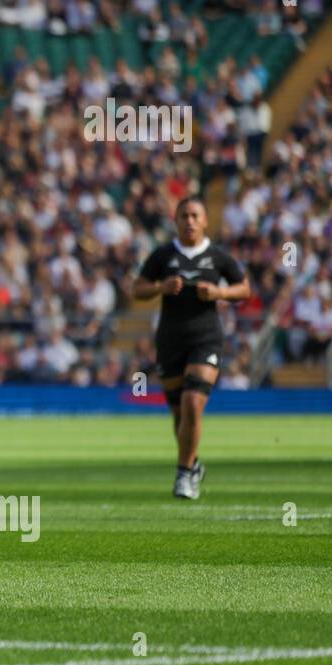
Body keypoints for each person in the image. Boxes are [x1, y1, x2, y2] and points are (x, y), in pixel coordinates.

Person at [133, 197, 250, 500]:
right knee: (178, 415)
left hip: (206, 338)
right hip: (170, 340)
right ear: (175, 220)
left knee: (192, 402)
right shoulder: (163, 255)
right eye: (184, 215)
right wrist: (161, 288)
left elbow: (245, 288)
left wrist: (219, 292)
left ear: (205, 220)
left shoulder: (218, 257)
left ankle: (183, 476)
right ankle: (193, 463)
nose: (190, 221)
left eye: (195, 215)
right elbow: (137, 288)